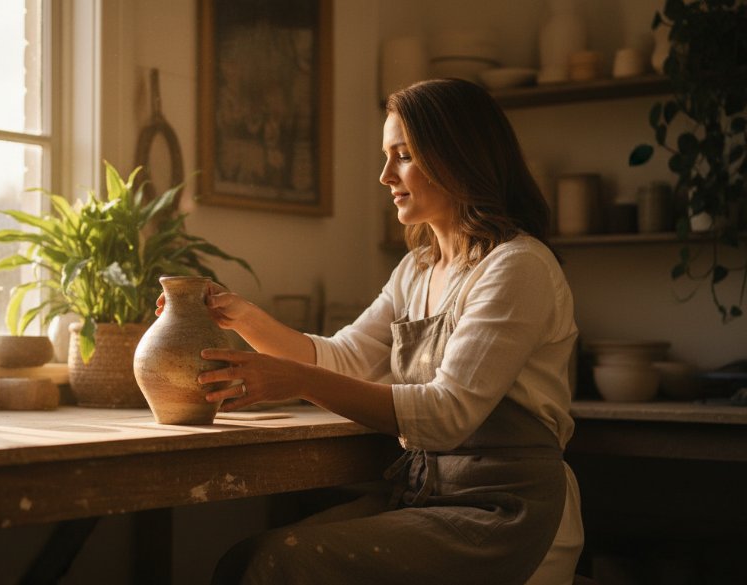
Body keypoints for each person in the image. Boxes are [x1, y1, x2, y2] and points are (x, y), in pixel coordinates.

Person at [159, 78, 583, 584]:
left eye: (403, 155)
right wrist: (242, 316)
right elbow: (342, 357)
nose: (385, 175)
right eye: (387, 156)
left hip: (505, 512)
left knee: (277, 565)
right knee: (245, 561)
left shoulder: (518, 266)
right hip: (429, 495)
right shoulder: (417, 270)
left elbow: (448, 415)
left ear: (456, 156)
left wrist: (296, 381)